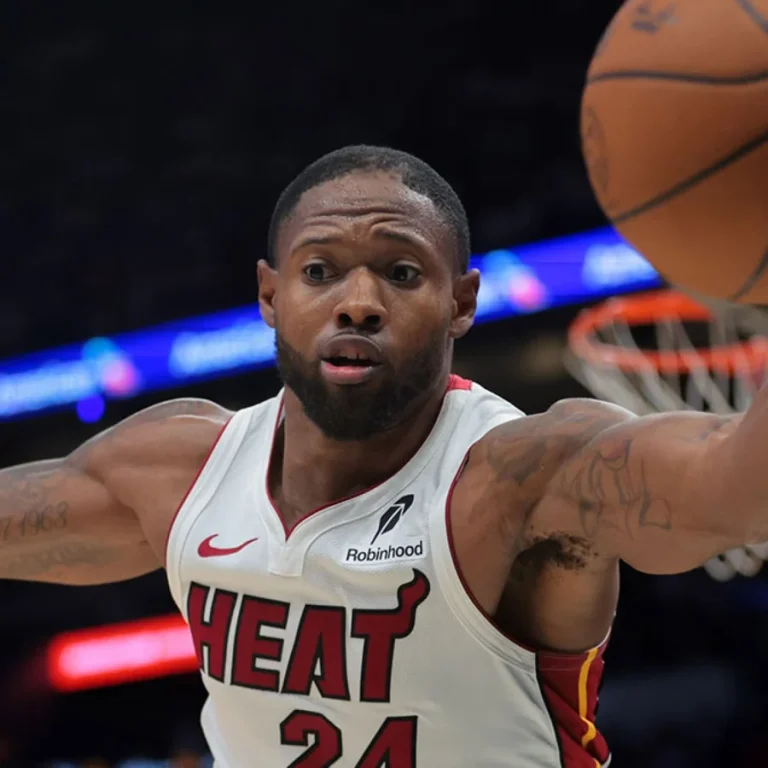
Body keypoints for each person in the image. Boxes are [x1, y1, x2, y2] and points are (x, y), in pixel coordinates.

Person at [0, 145, 762, 768]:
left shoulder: (530, 475)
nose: (358, 302)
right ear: (270, 296)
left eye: (401, 273)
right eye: (319, 271)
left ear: (461, 302)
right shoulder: (174, 470)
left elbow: (739, 490)